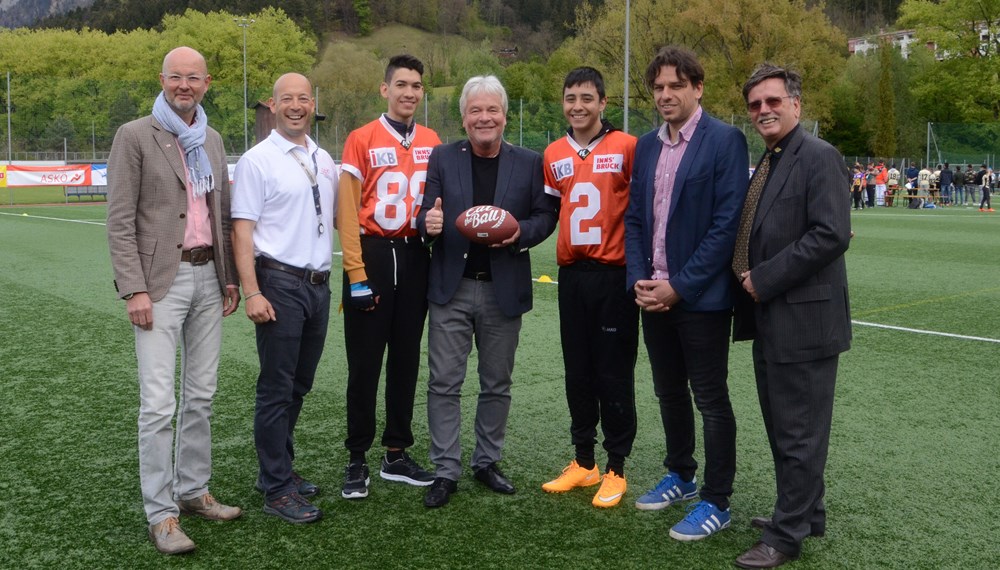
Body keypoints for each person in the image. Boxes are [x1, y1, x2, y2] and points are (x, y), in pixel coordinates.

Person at [106, 46, 242, 555]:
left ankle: (192, 491)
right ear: (162, 79)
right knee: (158, 404)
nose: (184, 85)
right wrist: (134, 288)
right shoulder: (135, 135)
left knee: (201, 395)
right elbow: (119, 221)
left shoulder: (210, 138)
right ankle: (160, 513)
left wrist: (228, 278)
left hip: (210, 279)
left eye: (193, 78)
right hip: (159, 285)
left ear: (207, 83)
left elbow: (221, 215)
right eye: (175, 77)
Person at [623, 46, 748, 541]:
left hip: (701, 299)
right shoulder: (648, 145)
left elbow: (726, 227)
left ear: (698, 88)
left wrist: (679, 286)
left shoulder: (725, 140)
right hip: (653, 293)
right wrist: (640, 278)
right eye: (658, 87)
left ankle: (718, 500)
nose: (666, 94)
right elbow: (635, 219)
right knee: (667, 391)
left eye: (676, 85)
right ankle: (682, 474)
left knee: (711, 399)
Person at [416, 75, 558, 508]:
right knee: (444, 383)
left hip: (503, 288)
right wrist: (429, 223)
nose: (484, 118)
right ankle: (445, 470)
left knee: (497, 383)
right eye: (475, 110)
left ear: (504, 115)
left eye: (491, 109)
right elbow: (428, 211)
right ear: (464, 116)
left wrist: (518, 234)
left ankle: (486, 462)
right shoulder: (442, 157)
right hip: (452, 286)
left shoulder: (529, 161)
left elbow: (545, 215)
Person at [732, 63, 852, 569]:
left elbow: (831, 235)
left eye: (773, 101)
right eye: (756, 104)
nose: (764, 110)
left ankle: (786, 535)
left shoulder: (819, 156)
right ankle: (806, 513)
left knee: (799, 431)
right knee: (786, 427)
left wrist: (763, 277)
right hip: (773, 319)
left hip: (802, 319)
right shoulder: (772, 159)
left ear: (796, 105)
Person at [231, 73, 339, 524]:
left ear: (312, 103)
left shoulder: (322, 156)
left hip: (317, 285)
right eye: (286, 99)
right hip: (278, 283)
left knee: (299, 385)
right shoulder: (258, 160)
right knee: (276, 389)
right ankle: (276, 488)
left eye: (303, 99)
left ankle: (279, 469)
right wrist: (251, 289)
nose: (295, 106)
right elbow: (242, 230)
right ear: (272, 106)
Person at [336, 54, 441, 499]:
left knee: (406, 360)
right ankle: (356, 457)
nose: (409, 93)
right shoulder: (361, 138)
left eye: (416, 86)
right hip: (374, 254)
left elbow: (439, 201)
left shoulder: (434, 140)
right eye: (401, 84)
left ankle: (396, 452)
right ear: (385, 90)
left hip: (416, 255)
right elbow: (347, 210)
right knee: (364, 365)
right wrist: (356, 273)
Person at [539, 67, 639, 508]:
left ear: (603, 102)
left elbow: (641, 214)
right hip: (572, 277)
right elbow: (548, 214)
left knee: (613, 372)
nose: (577, 106)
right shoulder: (553, 153)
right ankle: (584, 461)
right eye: (569, 98)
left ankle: (617, 466)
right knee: (577, 371)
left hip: (613, 276)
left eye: (586, 98)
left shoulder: (627, 147)